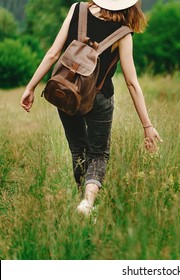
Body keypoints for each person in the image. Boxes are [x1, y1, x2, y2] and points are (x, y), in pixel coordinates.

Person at [20, 0, 162, 216]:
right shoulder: (123, 32)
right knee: (98, 154)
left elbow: (52, 53)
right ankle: (87, 203)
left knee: (78, 150)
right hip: (100, 98)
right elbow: (131, 82)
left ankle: (83, 201)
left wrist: (30, 87)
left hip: (66, 92)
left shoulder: (77, 9)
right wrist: (147, 125)